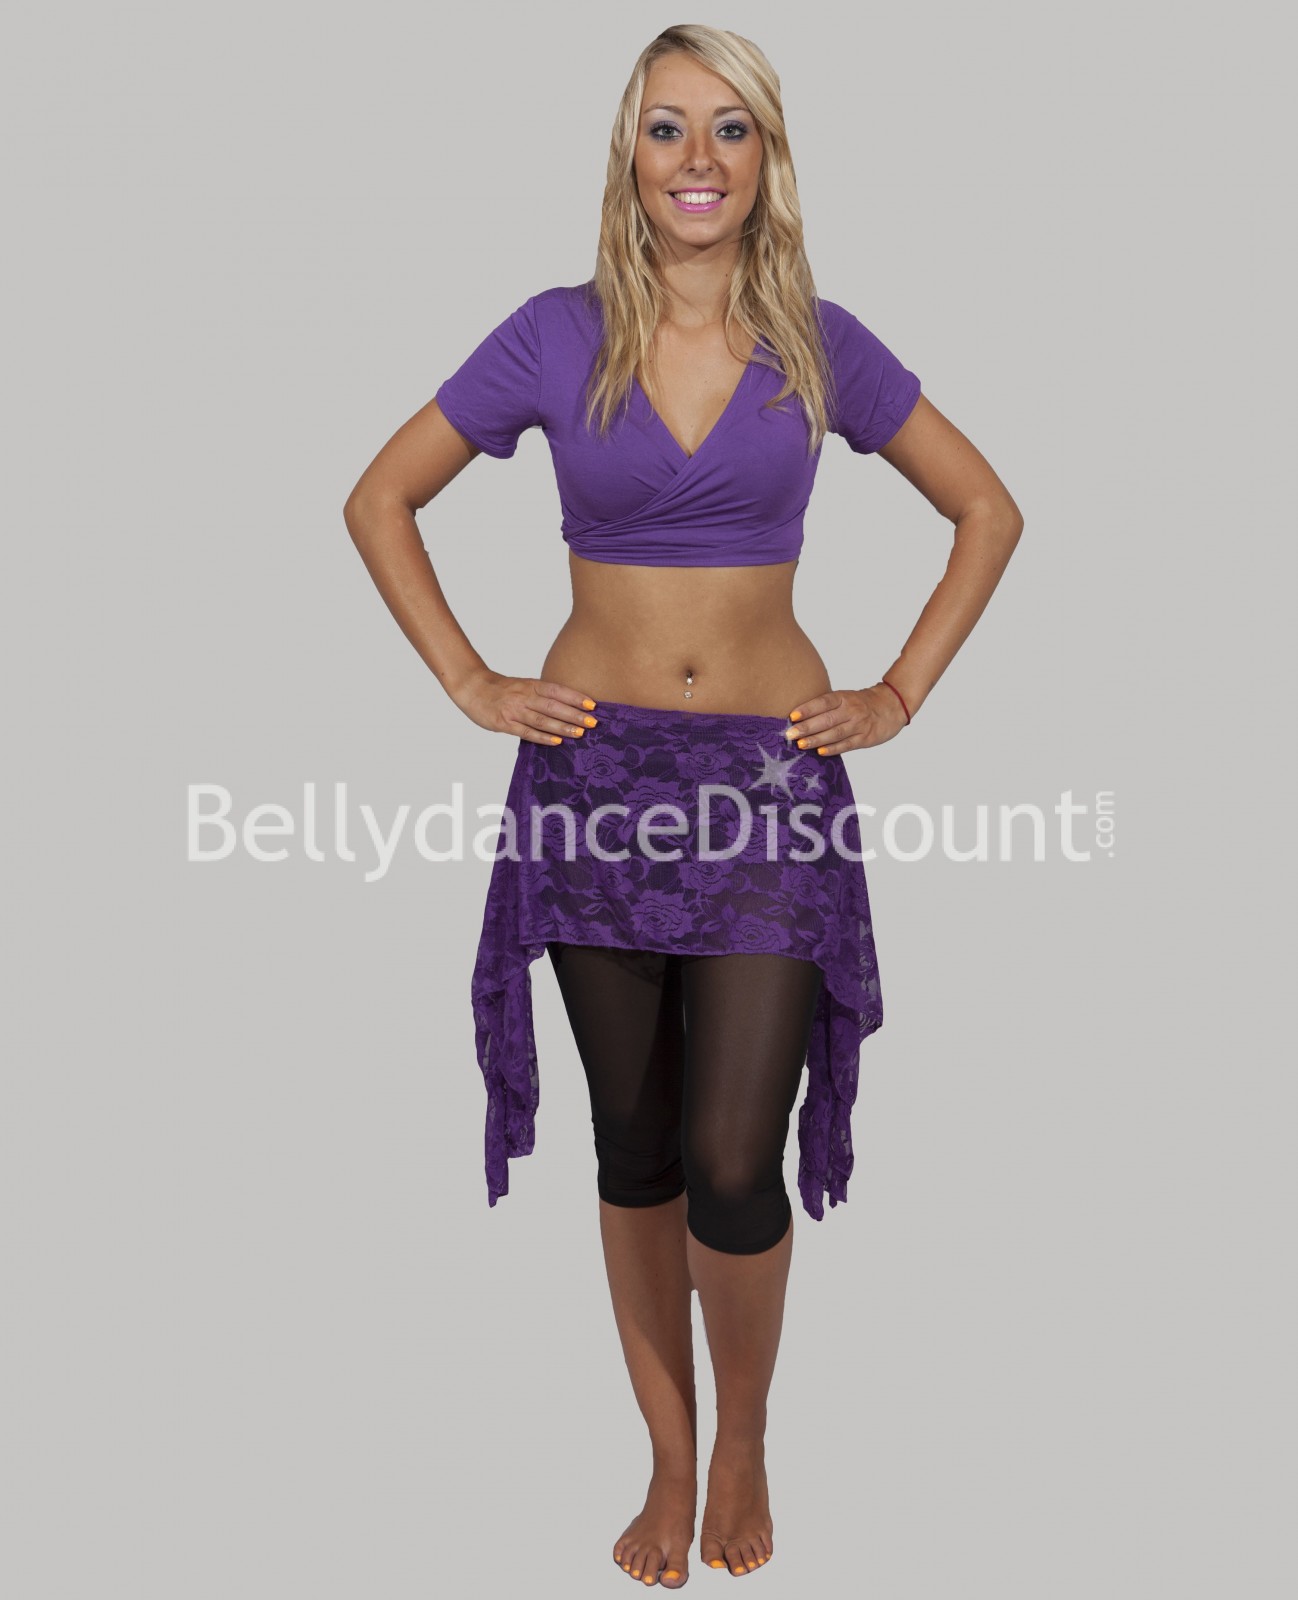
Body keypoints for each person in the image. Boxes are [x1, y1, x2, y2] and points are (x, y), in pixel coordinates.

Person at [343, 23, 1023, 1589]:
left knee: (733, 1155)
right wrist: (468, 679)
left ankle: (746, 1436)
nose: (698, 158)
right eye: (667, 127)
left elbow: (986, 508)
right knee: (636, 1142)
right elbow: (379, 497)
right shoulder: (552, 334)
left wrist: (900, 692)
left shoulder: (822, 346)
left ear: (766, 159)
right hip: (595, 784)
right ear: (628, 157)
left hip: (769, 786)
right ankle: (665, 1452)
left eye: (730, 128)